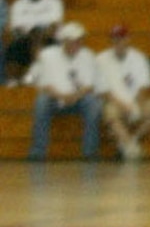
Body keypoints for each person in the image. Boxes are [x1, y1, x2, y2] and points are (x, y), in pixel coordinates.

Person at [27, 20, 103, 160]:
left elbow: (90, 86)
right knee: (41, 101)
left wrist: (74, 96)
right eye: (73, 40)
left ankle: (90, 152)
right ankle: (38, 152)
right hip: (54, 98)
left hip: (79, 99)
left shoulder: (88, 55)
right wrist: (61, 96)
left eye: (80, 40)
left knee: (93, 103)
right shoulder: (47, 55)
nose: (77, 43)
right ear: (64, 41)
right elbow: (44, 85)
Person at [98, 23, 150, 160]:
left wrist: (136, 105)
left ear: (128, 39)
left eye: (121, 38)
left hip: (137, 101)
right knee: (110, 113)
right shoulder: (101, 59)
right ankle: (132, 149)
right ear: (111, 41)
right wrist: (123, 105)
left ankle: (131, 140)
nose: (118, 42)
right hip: (115, 102)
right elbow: (102, 90)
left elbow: (144, 86)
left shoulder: (139, 58)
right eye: (115, 39)